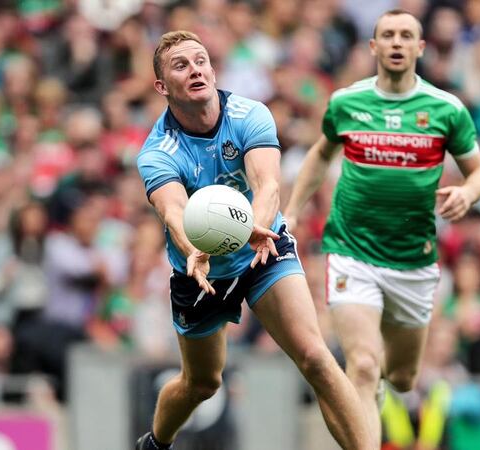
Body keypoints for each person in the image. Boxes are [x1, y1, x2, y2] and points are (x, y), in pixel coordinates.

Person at [134, 31, 373, 450]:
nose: (195, 70)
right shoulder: (157, 151)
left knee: (316, 357)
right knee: (201, 384)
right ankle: (156, 442)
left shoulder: (249, 114)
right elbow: (172, 211)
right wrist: (193, 250)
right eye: (181, 65)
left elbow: (267, 186)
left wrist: (257, 230)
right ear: (161, 87)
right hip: (201, 269)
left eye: (201, 60)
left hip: (264, 248)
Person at [284, 9, 480, 444]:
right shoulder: (347, 102)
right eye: (388, 35)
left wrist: (467, 194)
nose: (397, 43)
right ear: (373, 47)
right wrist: (292, 210)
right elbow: (322, 154)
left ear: (420, 48)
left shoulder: (446, 109)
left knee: (401, 377)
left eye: (406, 36)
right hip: (351, 250)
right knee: (361, 365)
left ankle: (387, 382)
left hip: (413, 261)